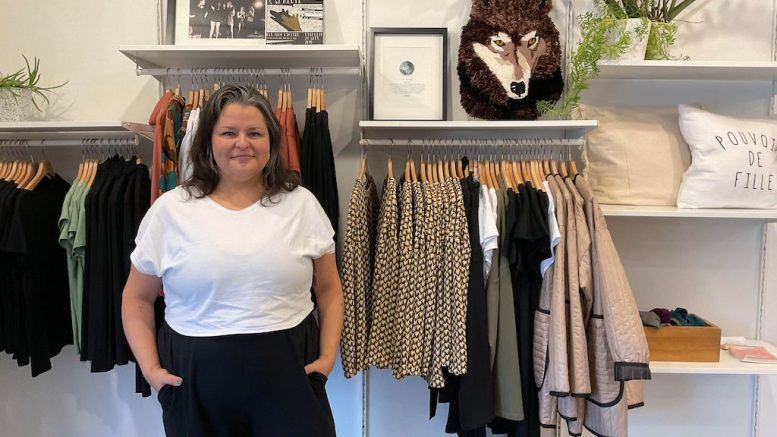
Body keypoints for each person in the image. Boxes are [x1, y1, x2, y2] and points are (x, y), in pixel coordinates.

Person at [122, 85, 343, 437]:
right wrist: (150, 369)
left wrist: (328, 358)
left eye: (254, 132)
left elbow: (330, 290)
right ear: (208, 140)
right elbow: (137, 298)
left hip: (289, 371)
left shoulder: (302, 204)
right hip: (196, 380)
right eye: (228, 132)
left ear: (271, 140)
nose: (243, 142)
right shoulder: (170, 211)